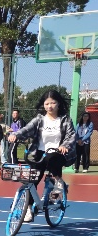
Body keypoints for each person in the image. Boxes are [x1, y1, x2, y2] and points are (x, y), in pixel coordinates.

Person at [8, 90, 76, 222]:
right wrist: (15, 135)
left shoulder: (65, 119)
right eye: (47, 104)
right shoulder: (40, 119)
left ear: (58, 103)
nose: (50, 106)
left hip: (58, 153)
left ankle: (59, 182)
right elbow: (26, 129)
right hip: (39, 153)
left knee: (52, 158)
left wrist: (65, 146)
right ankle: (28, 209)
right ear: (43, 105)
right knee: (31, 181)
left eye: (53, 103)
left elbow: (71, 136)